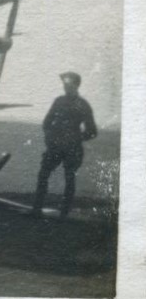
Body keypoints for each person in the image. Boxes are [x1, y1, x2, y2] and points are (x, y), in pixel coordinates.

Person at [31, 71, 97, 219]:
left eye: (69, 83)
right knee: (43, 175)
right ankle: (36, 210)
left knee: (69, 178)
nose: (65, 86)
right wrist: (49, 137)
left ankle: (64, 214)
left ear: (76, 85)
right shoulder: (58, 101)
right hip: (55, 146)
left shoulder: (83, 105)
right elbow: (46, 122)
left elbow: (92, 131)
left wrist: (76, 138)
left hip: (72, 148)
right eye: (64, 84)